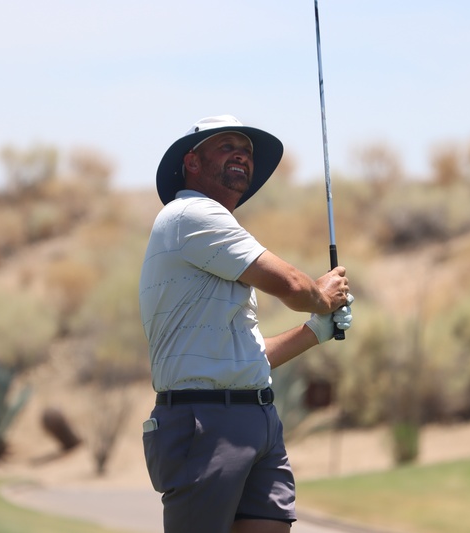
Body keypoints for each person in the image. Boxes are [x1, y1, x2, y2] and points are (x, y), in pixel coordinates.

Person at [139, 115, 354, 533]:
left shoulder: (213, 233)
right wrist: (322, 295)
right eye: (227, 146)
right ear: (192, 162)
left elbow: (249, 358)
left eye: (247, 151)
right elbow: (292, 286)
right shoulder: (190, 213)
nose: (242, 154)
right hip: (202, 420)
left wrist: (317, 329)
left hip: (257, 416)